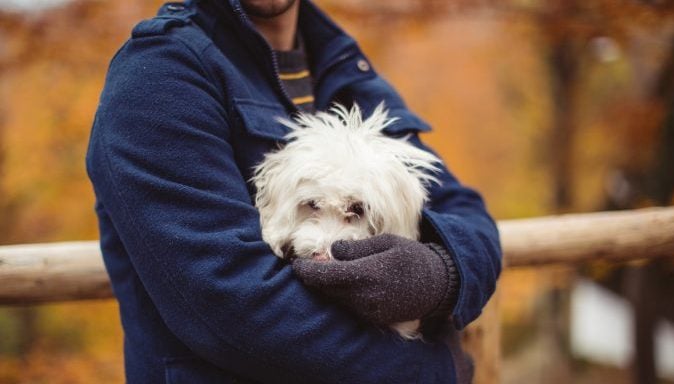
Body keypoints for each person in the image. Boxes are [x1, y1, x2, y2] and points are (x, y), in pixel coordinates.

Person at [85, 0, 501, 382]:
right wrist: (433, 370)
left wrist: (439, 274)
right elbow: (232, 309)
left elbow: (465, 213)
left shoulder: (341, 67)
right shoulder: (160, 75)